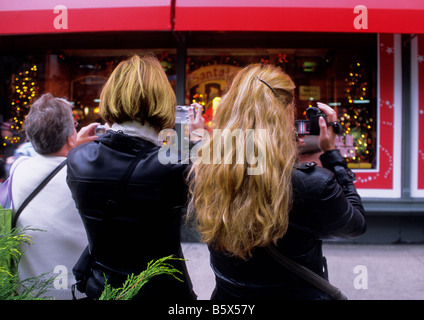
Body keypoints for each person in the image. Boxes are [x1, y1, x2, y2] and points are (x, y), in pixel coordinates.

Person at [187, 64, 366, 300]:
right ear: (286, 114)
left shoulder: (204, 172)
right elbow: (356, 224)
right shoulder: (313, 184)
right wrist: (332, 153)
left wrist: (200, 140)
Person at [66, 55, 203, 300]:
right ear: (162, 100)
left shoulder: (77, 159)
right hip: (163, 294)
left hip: (101, 290)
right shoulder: (176, 165)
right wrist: (197, 140)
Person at [10, 93, 98, 299]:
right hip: (74, 294)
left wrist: (71, 144)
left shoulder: (17, 168)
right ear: (69, 136)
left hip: (26, 293)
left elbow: (52, 161)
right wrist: (74, 146)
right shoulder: (84, 178)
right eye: (75, 124)